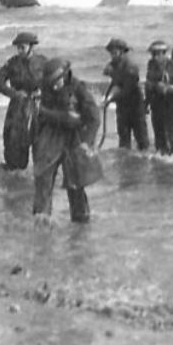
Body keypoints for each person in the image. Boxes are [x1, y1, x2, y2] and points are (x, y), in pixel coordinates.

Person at [32, 57, 101, 224]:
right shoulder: (44, 88)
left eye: (57, 81)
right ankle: (42, 217)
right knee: (43, 177)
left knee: (75, 181)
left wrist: (88, 141)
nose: (55, 85)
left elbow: (94, 117)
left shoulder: (78, 88)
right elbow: (38, 116)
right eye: (51, 82)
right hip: (51, 135)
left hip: (73, 137)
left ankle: (80, 220)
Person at [0, 32, 47, 169]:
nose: (20, 51)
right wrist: (13, 94)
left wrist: (43, 92)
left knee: (40, 144)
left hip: (38, 106)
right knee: (14, 143)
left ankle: (40, 174)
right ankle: (16, 174)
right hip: (18, 107)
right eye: (18, 48)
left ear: (31, 47)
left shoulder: (43, 62)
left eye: (23, 47)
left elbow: (53, 81)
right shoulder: (13, 63)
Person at [103, 38, 148, 150]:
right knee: (123, 136)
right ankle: (125, 159)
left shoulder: (130, 67)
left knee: (141, 137)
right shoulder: (115, 63)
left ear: (121, 52)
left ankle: (145, 159)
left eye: (114, 52)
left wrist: (110, 99)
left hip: (135, 104)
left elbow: (127, 90)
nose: (112, 55)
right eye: (111, 53)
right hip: (122, 105)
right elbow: (108, 72)